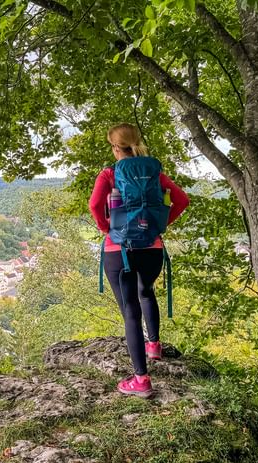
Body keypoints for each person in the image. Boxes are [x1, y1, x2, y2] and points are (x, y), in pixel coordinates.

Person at [88, 123, 189, 398]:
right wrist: (160, 224)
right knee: (146, 292)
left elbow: (95, 205)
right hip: (152, 248)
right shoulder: (154, 172)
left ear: (115, 147)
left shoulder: (110, 174)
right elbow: (181, 200)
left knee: (130, 310)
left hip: (119, 250)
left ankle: (141, 381)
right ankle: (154, 346)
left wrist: (106, 228)